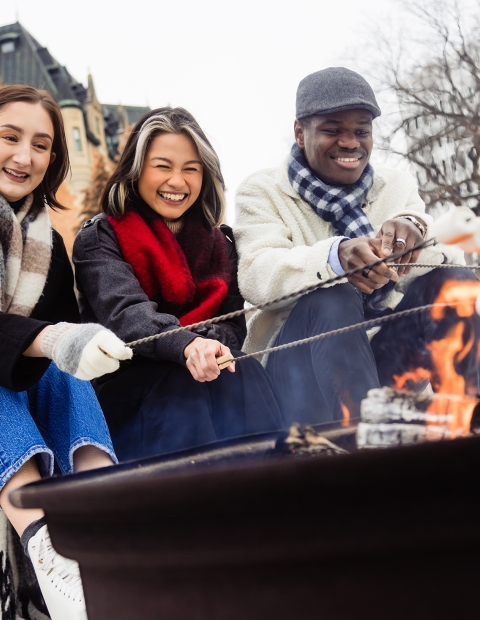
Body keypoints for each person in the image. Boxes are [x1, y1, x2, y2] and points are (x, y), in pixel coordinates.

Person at [234, 67, 475, 427]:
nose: (350, 143)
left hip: (382, 360)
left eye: (361, 131)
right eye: (332, 130)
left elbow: (448, 268)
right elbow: (256, 274)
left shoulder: (396, 185)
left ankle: (469, 418)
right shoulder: (261, 190)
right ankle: (366, 450)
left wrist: (415, 234)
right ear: (301, 132)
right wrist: (336, 257)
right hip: (298, 378)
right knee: (334, 294)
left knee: (452, 282)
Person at [73, 107, 282, 461]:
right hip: (129, 385)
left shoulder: (222, 244)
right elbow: (126, 315)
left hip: (205, 377)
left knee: (242, 370)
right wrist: (186, 346)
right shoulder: (100, 237)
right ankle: (190, 503)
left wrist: (209, 349)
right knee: (180, 382)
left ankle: (272, 488)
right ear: (136, 171)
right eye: (163, 166)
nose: (177, 182)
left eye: (191, 169)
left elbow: (232, 325)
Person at [0, 84, 133, 620]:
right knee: (47, 344)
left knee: (64, 361)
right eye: (9, 137)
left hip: (23, 395)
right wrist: (49, 338)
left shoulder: (47, 244)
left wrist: (76, 344)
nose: (24, 156)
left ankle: (102, 517)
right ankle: (48, 547)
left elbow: (58, 342)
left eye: (41, 145)